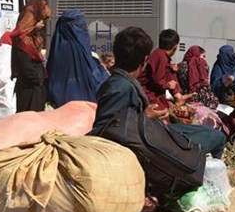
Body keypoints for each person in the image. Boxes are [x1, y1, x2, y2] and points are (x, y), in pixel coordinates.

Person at [94, 27, 226, 159]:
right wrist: (143, 118)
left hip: (148, 134)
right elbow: (102, 133)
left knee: (209, 133)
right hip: (143, 147)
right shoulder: (119, 87)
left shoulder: (122, 83)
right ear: (145, 61)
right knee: (215, 137)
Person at [46, 9, 109, 107]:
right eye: (80, 26)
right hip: (86, 110)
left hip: (60, 111)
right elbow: (99, 82)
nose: (83, 29)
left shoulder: (57, 52)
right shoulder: (85, 54)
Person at [10, 0, 51, 112]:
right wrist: (37, 79)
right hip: (29, 91)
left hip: (36, 89)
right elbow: (26, 67)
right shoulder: (22, 41)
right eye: (40, 20)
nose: (43, 23)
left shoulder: (34, 39)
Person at [139, 29, 193, 110]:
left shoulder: (160, 55)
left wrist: (169, 66)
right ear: (175, 47)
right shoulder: (160, 57)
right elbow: (158, 81)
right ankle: (178, 97)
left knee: (171, 69)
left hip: (152, 89)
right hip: (147, 91)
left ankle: (178, 96)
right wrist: (169, 85)